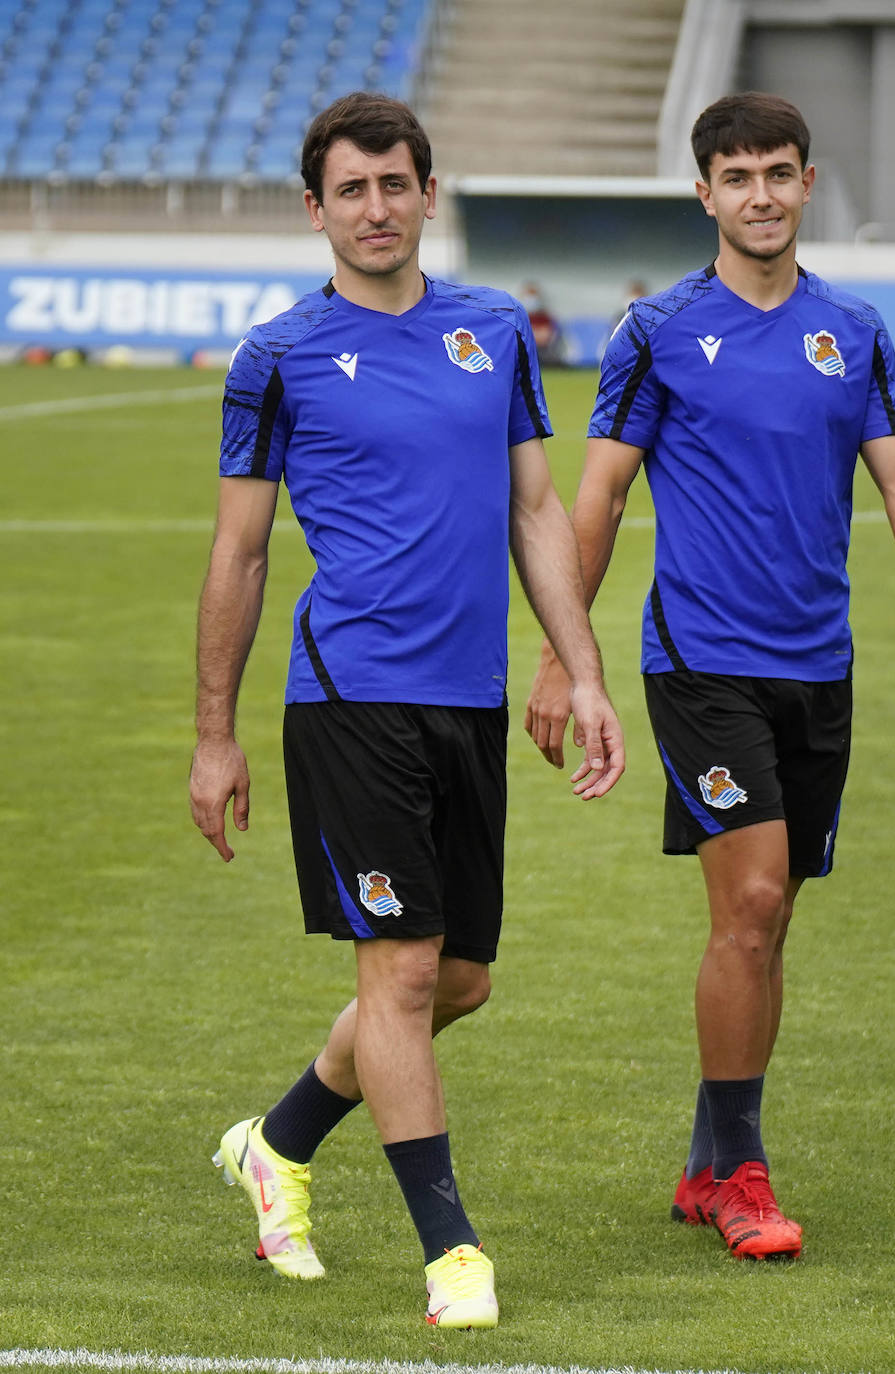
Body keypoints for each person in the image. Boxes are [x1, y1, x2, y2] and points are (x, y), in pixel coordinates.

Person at [189, 91, 624, 1327]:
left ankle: (275, 1143)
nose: (374, 208)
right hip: (348, 696)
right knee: (404, 967)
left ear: (429, 193)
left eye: (394, 184)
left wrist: (580, 671)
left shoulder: (495, 329)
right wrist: (214, 737)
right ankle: (453, 1254)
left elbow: (536, 513)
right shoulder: (275, 355)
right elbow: (239, 555)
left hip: (467, 703)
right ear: (315, 208)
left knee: (462, 979)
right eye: (350, 189)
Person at [525, 91, 895, 1261]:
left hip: (818, 664)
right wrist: (562, 661)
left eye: (778, 172)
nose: (760, 194)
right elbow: (600, 500)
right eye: (737, 176)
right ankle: (740, 1177)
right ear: (703, 194)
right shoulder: (655, 331)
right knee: (755, 899)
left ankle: (705, 1161)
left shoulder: (853, 329)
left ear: (806, 184)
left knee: (767, 927)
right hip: (700, 661)